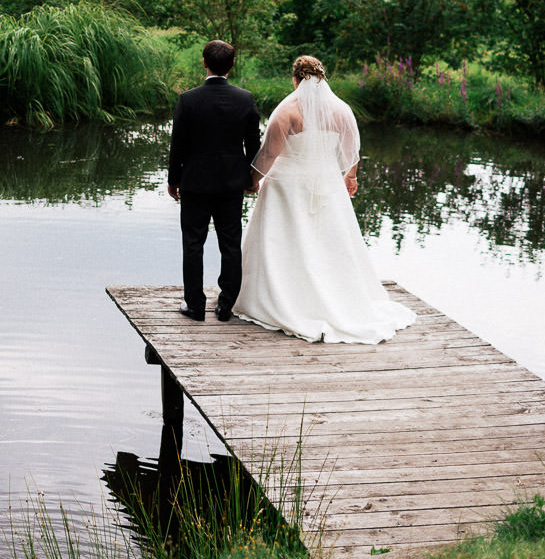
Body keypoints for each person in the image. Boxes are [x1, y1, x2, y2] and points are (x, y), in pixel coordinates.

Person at [232, 55, 415, 343]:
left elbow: (268, 154)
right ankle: (334, 296)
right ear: (323, 78)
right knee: (328, 242)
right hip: (327, 185)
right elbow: (351, 149)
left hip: (287, 187)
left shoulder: (286, 112)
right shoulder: (340, 110)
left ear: (295, 79)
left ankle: (284, 297)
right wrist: (350, 177)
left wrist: (252, 181)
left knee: (285, 242)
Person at [167, 40, 262, 322]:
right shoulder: (245, 99)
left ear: (204, 63)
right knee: (230, 244)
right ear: (231, 66)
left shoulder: (188, 99)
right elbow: (253, 146)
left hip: (195, 182)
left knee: (193, 244)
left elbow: (178, 145)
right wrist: (252, 178)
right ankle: (225, 307)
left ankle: (195, 306)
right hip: (232, 183)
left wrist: (173, 180)